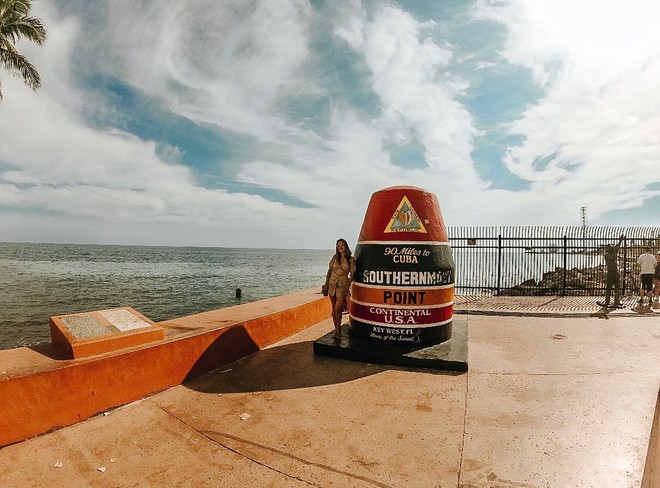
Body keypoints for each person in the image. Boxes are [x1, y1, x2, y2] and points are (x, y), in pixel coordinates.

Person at [322, 239, 356, 340]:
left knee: (338, 309)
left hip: (342, 286)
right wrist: (326, 283)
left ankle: (338, 331)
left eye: (342, 245)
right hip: (332, 284)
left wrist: (347, 287)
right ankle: (337, 331)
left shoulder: (350, 259)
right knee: (334, 309)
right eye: (338, 245)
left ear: (346, 246)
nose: (340, 247)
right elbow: (329, 271)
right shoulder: (334, 257)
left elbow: (352, 274)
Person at [599, 235, 624, 308]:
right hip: (610, 272)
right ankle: (607, 302)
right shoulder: (607, 256)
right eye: (610, 247)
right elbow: (613, 256)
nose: (612, 247)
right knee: (609, 287)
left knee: (617, 287)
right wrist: (616, 247)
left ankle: (617, 302)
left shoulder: (613, 253)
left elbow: (616, 248)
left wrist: (620, 241)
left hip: (615, 272)